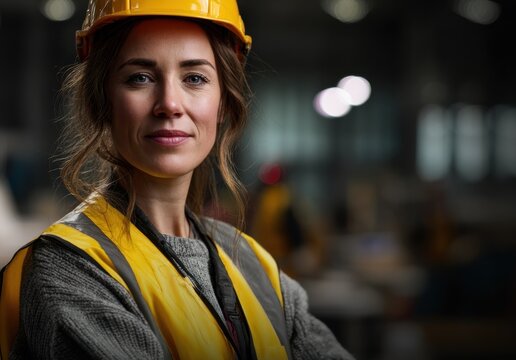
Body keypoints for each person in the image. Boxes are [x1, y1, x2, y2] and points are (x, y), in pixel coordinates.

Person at [0, 1, 353, 359]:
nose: (169, 103)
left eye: (195, 78)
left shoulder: (255, 266)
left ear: (224, 104)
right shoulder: (71, 267)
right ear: (101, 100)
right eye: (140, 77)